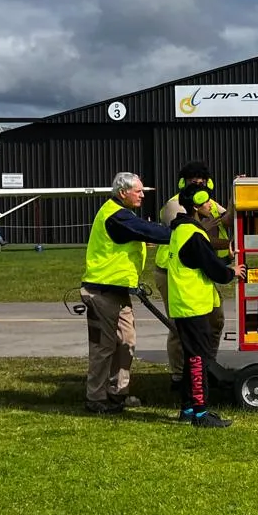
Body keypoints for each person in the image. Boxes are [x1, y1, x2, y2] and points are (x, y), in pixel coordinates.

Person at [81, 172, 171, 414]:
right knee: (103, 347)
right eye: (138, 191)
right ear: (123, 193)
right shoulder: (116, 217)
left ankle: (117, 394)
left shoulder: (123, 214)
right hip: (101, 292)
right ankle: (96, 398)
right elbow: (147, 231)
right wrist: (180, 234)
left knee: (127, 342)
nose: (142, 194)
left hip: (119, 292)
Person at [165, 183, 246, 427]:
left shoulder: (182, 230)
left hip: (184, 305)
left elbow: (201, 261)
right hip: (194, 306)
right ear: (196, 206)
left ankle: (187, 410)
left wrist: (225, 259)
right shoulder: (195, 235)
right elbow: (213, 271)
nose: (211, 205)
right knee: (199, 360)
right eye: (206, 201)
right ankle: (201, 414)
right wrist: (231, 272)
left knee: (192, 359)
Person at [153, 161, 231, 386]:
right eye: (193, 180)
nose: (198, 183)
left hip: (199, 270)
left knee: (215, 320)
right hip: (172, 273)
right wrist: (227, 252)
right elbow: (196, 240)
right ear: (182, 183)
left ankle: (207, 366)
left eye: (202, 180)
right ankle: (179, 376)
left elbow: (228, 218)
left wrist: (236, 195)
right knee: (181, 327)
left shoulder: (207, 203)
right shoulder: (175, 206)